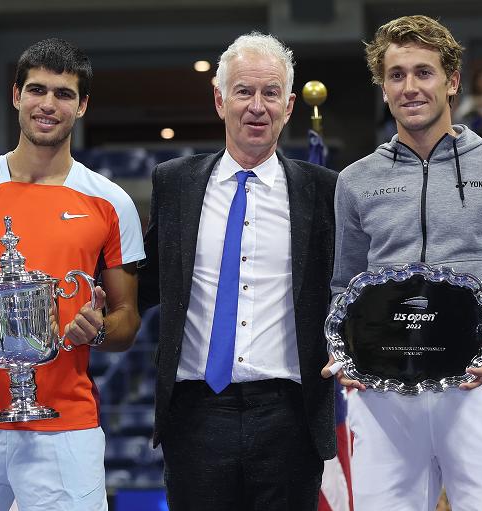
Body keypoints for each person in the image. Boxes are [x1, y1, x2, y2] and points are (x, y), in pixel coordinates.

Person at [322, 15, 482, 511]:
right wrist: (343, 346)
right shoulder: (355, 180)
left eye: (424, 72)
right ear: (383, 87)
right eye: (396, 75)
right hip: (382, 397)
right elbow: (344, 287)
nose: (410, 87)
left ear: (452, 81)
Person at [0, 38, 145, 511]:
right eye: (37, 90)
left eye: (63, 94)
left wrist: (97, 331)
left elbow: (127, 319)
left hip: (67, 423)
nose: (48, 104)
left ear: (82, 106)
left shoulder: (112, 202)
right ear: (16, 95)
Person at [138, 32, 338, 511]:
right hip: (194, 414)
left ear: (289, 106)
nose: (257, 106)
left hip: (290, 415)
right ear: (219, 98)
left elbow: (351, 287)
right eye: (244, 91)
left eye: (270, 93)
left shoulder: (325, 190)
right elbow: (144, 282)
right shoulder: (175, 183)